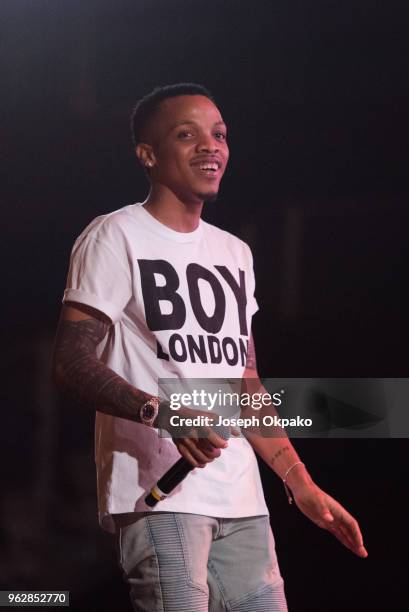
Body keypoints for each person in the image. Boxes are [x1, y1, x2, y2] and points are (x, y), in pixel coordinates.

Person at [52, 83, 367, 612]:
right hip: (161, 496)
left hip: (242, 497)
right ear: (147, 154)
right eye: (187, 134)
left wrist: (300, 484)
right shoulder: (115, 235)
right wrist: (163, 412)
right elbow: (70, 362)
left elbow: (245, 385)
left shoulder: (235, 252)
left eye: (218, 134)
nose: (210, 146)